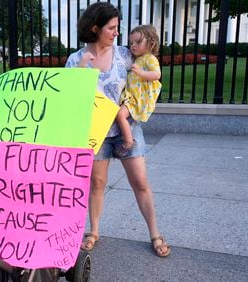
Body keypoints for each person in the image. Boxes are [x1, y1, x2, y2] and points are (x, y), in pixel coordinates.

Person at [65, 2, 171, 258]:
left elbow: (152, 67)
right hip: (96, 133)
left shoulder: (125, 54)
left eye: (117, 27)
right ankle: (94, 231)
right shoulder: (76, 59)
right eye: (111, 28)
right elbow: (68, 97)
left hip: (128, 128)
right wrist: (80, 71)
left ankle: (155, 233)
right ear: (95, 28)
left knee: (140, 182)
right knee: (97, 183)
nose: (116, 32)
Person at [114, 25, 162, 157]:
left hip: (137, 98)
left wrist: (141, 72)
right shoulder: (138, 58)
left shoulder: (150, 58)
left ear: (151, 43)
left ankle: (129, 142)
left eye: (138, 42)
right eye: (131, 43)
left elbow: (156, 75)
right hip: (131, 96)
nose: (133, 45)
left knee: (120, 115)